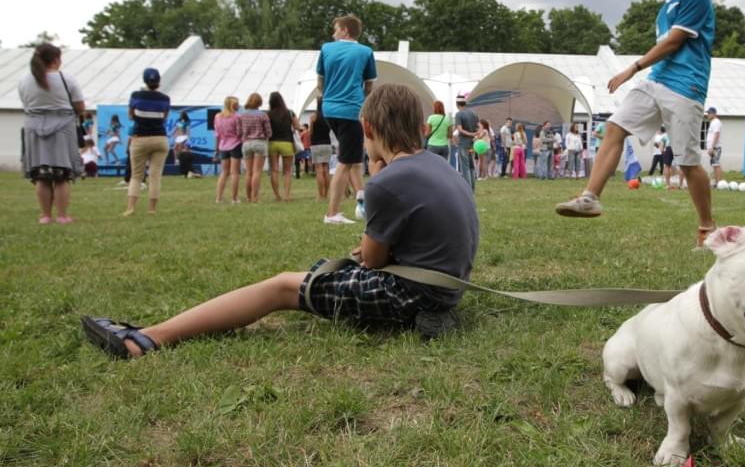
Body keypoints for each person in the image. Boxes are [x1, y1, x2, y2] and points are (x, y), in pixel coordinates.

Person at [80, 83, 480, 358]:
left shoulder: (388, 181)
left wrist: (369, 236)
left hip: (412, 294)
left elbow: (373, 261)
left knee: (283, 287)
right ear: (420, 128)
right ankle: (148, 336)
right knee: (307, 279)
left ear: (367, 129)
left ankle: (146, 339)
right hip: (445, 287)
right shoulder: (440, 165)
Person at [555, 0, 717, 247]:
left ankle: (707, 228)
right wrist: (642, 71)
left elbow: (674, 42)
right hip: (656, 80)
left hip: (685, 86)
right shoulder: (662, 11)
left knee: (687, 162)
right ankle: (590, 197)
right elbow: (665, 46)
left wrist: (633, 67)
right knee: (615, 127)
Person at [318, 15, 377, 224]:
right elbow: (369, 86)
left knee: (353, 158)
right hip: (350, 110)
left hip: (329, 109)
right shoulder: (365, 52)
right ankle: (332, 213)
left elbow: (320, 82)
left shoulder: (326, 49)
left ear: (345, 30)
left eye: (335, 29)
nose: (333, 33)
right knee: (345, 162)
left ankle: (361, 197)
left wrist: (329, 97)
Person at [18, 43, 85, 224]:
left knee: (42, 176)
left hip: (33, 127)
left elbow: (25, 105)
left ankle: (46, 216)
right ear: (55, 59)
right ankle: (62, 216)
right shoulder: (66, 79)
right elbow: (80, 106)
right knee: (61, 176)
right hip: (62, 128)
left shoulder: (24, 79)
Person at [123, 68, 171, 217]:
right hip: (160, 139)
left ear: (144, 80)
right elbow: (164, 118)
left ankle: (131, 207)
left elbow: (130, 116)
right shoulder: (165, 98)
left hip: (140, 138)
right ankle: (152, 209)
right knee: (155, 176)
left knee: (136, 176)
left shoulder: (136, 96)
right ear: (159, 81)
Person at [266, 91, 300, 202]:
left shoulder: (268, 114)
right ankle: (286, 196)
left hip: (272, 143)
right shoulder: (290, 113)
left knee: (274, 171)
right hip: (287, 143)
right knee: (287, 171)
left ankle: (277, 196)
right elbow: (297, 126)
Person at [238, 92, 271, 203]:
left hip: (246, 143)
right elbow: (269, 132)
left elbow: (238, 132)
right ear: (259, 103)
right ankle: (255, 197)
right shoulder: (262, 115)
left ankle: (248, 197)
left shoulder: (241, 115)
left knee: (249, 172)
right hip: (259, 142)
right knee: (257, 172)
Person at [214, 96, 242, 204]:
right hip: (235, 145)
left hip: (223, 146)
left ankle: (218, 198)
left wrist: (216, 149)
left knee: (224, 172)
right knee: (234, 172)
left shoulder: (217, 116)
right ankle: (234, 198)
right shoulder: (236, 117)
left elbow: (217, 134)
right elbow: (239, 133)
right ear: (233, 105)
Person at [453, 92, 479, 192]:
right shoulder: (473, 113)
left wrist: (470, 134)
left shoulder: (459, 114)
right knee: (471, 166)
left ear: (457, 104)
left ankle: (467, 189)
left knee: (465, 166)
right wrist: (475, 135)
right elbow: (479, 127)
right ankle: (472, 188)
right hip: (472, 143)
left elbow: (459, 129)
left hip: (463, 142)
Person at [308, 99, 333, 201]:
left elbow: (311, 132)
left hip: (316, 144)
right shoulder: (328, 116)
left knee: (319, 170)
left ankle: (320, 195)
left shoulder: (313, 117)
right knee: (326, 169)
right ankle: (326, 195)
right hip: (327, 144)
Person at [705, 107, 723, 185]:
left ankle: (719, 183)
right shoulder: (712, 122)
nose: (707, 115)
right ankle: (716, 182)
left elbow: (717, 134)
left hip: (716, 147)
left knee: (716, 164)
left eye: (709, 113)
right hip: (712, 147)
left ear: (714, 114)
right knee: (714, 164)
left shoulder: (716, 122)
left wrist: (712, 147)